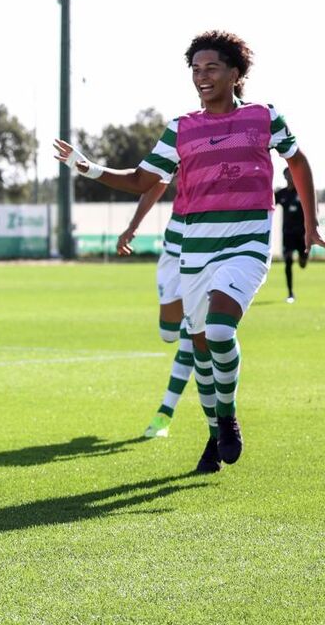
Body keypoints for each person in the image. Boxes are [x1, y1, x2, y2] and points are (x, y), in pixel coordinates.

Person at [55, 30, 322, 473]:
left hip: (247, 244)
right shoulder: (181, 128)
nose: (202, 76)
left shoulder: (264, 116)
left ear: (235, 73)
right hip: (194, 252)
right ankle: (214, 436)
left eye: (211, 67)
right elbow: (142, 180)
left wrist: (311, 222)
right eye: (196, 69)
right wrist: (87, 166)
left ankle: (227, 418)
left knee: (218, 331)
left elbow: (297, 161)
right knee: (199, 347)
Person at [117, 179, 194, 439]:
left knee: (192, 336)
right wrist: (133, 226)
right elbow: (155, 182)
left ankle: (165, 413)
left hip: (205, 250)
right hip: (173, 253)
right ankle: (195, 328)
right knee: (168, 334)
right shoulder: (179, 151)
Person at [276, 167, 309, 302]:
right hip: (288, 233)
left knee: (302, 264)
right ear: (285, 177)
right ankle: (290, 293)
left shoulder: (303, 192)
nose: (291, 177)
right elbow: (269, 206)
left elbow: (312, 209)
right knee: (288, 261)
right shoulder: (281, 194)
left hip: (302, 234)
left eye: (292, 174)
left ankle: (303, 257)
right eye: (288, 174)